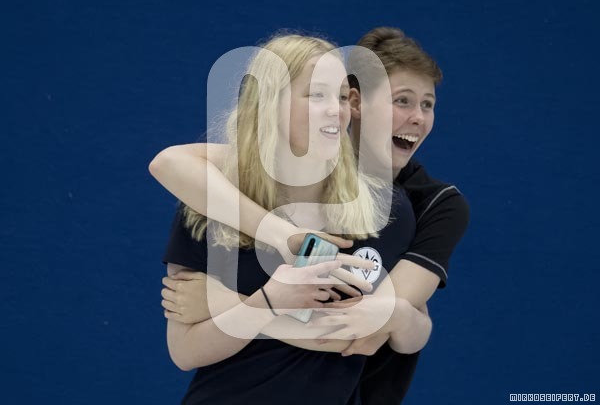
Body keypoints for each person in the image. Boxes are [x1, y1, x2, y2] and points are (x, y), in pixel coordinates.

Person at [153, 27, 469, 403]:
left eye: (341, 96)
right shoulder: (209, 201)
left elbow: (366, 334)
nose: (337, 108)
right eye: (317, 95)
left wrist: (236, 303)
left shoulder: (385, 210)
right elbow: (185, 352)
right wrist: (267, 298)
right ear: (270, 103)